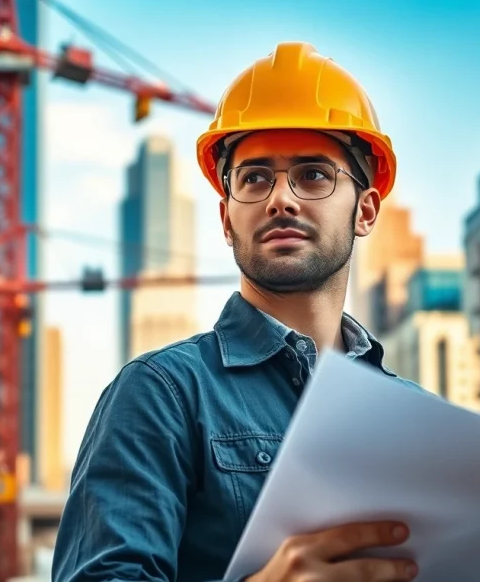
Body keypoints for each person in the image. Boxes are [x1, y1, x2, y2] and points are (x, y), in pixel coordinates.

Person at [52, 42, 426, 582]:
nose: (281, 199)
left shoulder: (417, 416)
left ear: (365, 210)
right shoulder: (162, 395)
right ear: (227, 219)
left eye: (314, 174)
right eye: (254, 179)